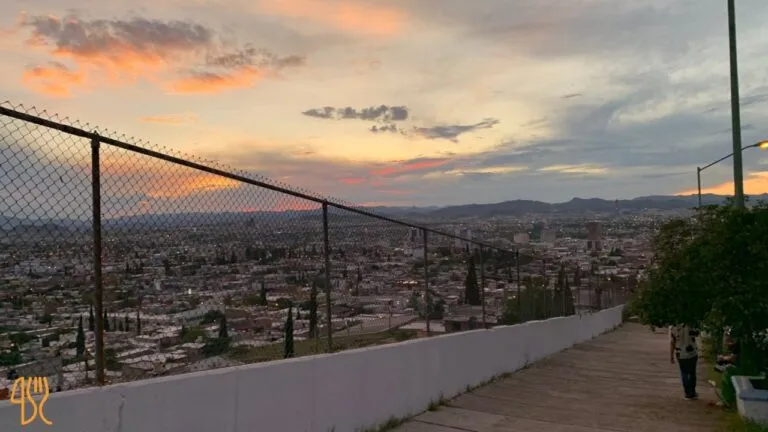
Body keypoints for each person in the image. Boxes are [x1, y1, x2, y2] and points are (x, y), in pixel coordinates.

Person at [670, 324, 700, 400]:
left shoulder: (673, 327)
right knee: (692, 372)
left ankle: (687, 393)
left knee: (684, 373)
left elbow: (672, 342)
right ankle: (692, 392)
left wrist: (671, 356)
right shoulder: (690, 325)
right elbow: (697, 333)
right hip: (692, 352)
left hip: (680, 353)